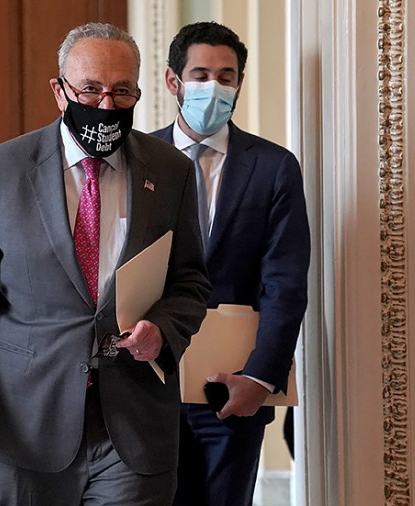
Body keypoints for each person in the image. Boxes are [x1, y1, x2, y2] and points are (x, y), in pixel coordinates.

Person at [0, 22, 212, 505]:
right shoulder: (2, 170)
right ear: (60, 91)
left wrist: (162, 328)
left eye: (121, 92)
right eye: (90, 89)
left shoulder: (171, 170)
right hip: (25, 425)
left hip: (134, 427)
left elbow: (191, 282)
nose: (105, 106)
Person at [150, 21, 311, 506]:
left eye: (227, 76)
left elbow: (284, 283)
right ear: (173, 81)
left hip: (233, 388)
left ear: (240, 82)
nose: (214, 87)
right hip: (148, 384)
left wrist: (261, 378)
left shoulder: (274, 166)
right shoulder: (137, 160)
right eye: (201, 74)